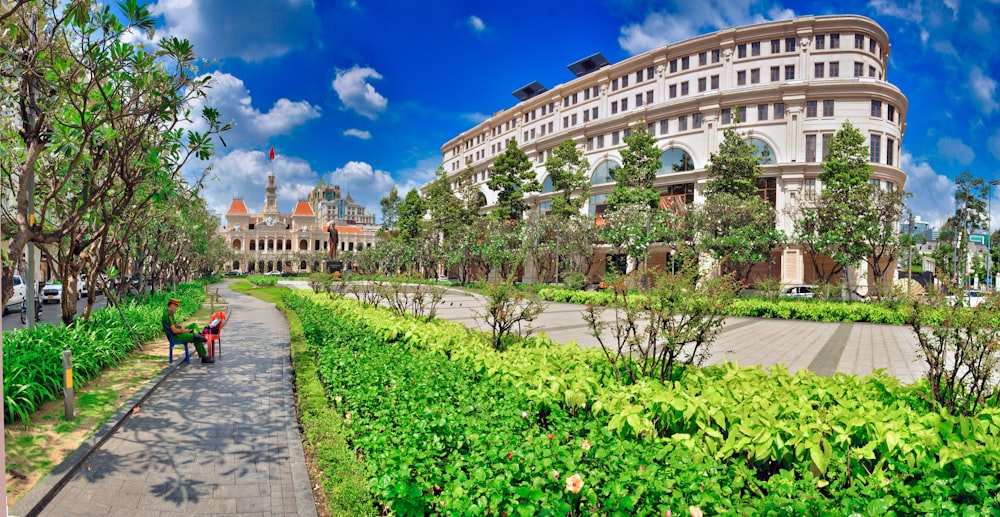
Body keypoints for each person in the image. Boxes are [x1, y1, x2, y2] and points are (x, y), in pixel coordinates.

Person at [162, 298, 214, 364]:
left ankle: (197, 334)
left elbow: (175, 324)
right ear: (172, 305)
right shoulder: (167, 316)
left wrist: (181, 327)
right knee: (196, 338)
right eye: (176, 307)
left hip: (179, 332)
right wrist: (184, 331)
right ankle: (203, 356)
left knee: (193, 325)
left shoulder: (168, 312)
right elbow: (174, 331)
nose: (176, 309)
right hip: (176, 336)